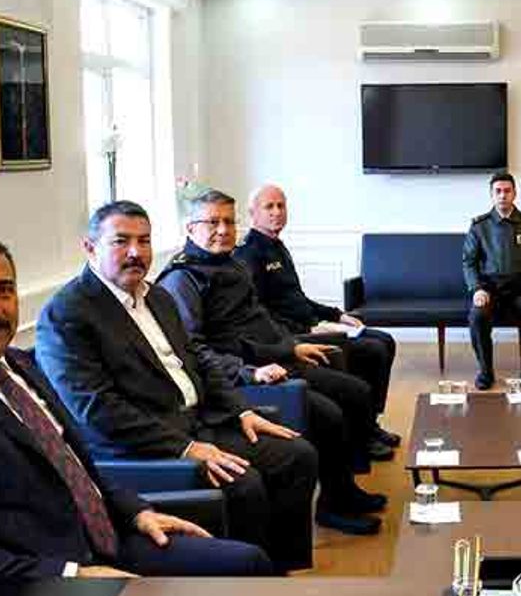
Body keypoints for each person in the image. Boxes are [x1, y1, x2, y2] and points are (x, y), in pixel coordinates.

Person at [0, 234, 272, 577]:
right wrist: (70, 576)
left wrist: (135, 512)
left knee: (246, 564)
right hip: (32, 586)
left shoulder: (17, 364)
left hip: (104, 542)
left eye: (4, 290)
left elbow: (74, 467)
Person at [35, 201, 319, 572]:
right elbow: (95, 408)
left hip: (200, 421)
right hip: (144, 444)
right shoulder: (67, 312)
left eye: (144, 241)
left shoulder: (157, 296)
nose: (136, 252)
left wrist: (241, 411)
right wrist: (185, 448)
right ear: (90, 247)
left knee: (297, 455)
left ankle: (280, 569)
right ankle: (252, 583)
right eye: (121, 241)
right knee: (244, 483)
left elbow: (199, 359)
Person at [158, 189, 386, 535]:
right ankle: (334, 505)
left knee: (352, 389)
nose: (223, 230)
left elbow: (261, 318)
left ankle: (344, 488)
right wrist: (250, 371)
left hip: (274, 357)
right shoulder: (182, 279)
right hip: (243, 377)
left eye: (229, 222)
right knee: (329, 413)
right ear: (190, 228)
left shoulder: (232, 264)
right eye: (212, 222)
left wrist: (292, 347)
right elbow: (193, 350)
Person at [236, 184, 400, 450]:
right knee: (373, 350)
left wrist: (337, 315)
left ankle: (370, 421)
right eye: (269, 207)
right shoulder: (248, 253)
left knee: (385, 340)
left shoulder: (277, 246)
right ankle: (364, 433)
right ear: (252, 213)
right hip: (293, 335)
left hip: (309, 325)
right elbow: (262, 312)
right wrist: (307, 330)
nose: (277, 212)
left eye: (281, 205)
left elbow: (298, 300)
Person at [463, 171, 521, 390]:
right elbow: (469, 262)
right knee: (476, 315)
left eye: (507, 191)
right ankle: (486, 372)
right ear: (491, 195)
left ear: (514, 194)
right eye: (498, 191)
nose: (503, 195)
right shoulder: (479, 226)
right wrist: (477, 289)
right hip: (490, 292)